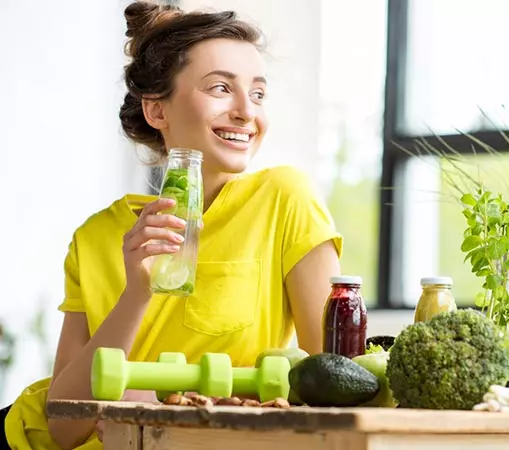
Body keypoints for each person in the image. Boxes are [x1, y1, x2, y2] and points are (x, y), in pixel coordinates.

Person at [2, 2, 343, 449]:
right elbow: (65, 428)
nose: (246, 112)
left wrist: (160, 397)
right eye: (221, 88)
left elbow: (338, 384)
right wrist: (136, 292)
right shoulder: (96, 236)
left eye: (258, 94)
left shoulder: (286, 200)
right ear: (157, 111)